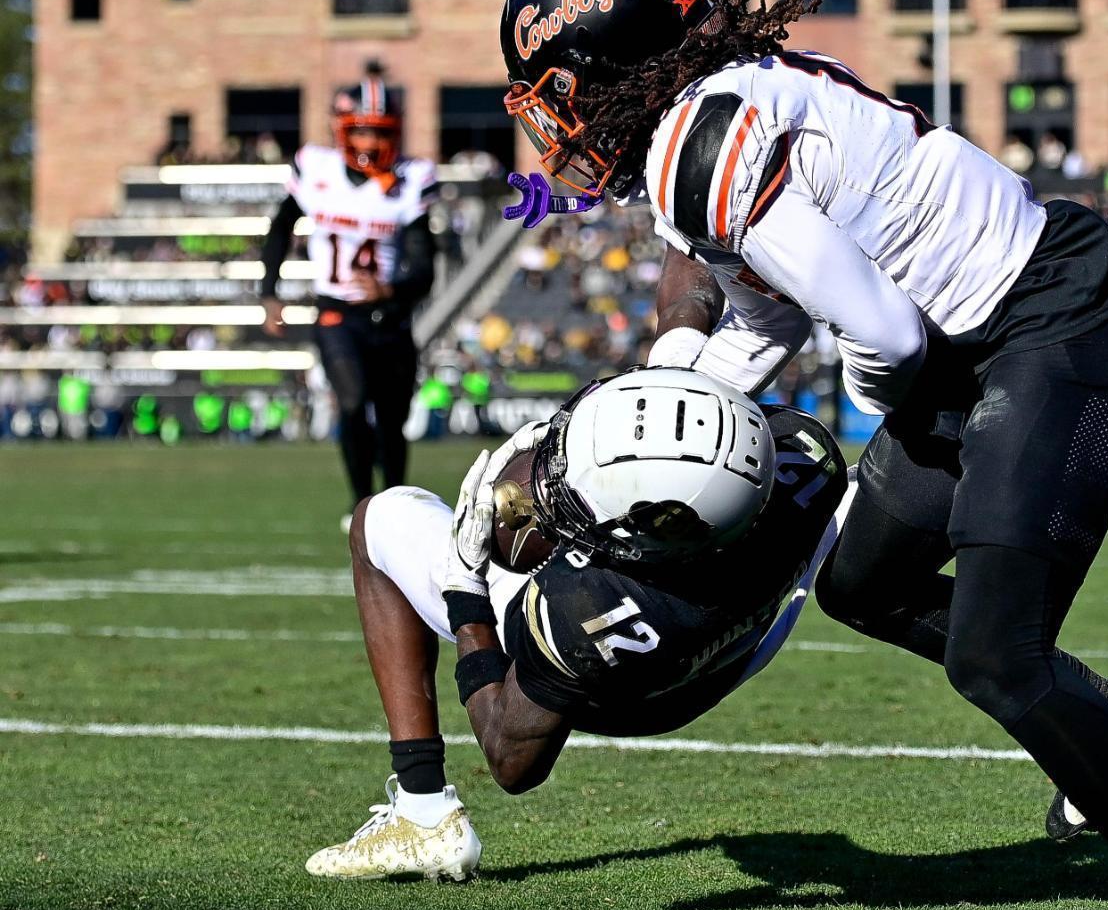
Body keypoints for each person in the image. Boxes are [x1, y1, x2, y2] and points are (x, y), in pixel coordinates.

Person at [499, 0, 1108, 910]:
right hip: (986, 341)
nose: (562, 123)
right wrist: (642, 431)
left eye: (562, 92)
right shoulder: (721, 108)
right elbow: (767, 318)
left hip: (1053, 329)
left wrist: (892, 407)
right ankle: (1096, 709)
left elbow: (887, 337)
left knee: (996, 659)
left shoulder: (696, 142)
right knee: (858, 583)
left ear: (613, 62)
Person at [306, 368, 847, 880]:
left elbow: (511, 761)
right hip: (733, 648)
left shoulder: (583, 605)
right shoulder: (802, 453)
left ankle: (422, 812)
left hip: (623, 685)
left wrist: (465, 591)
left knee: (378, 518)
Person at [262, 64, 437, 528]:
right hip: (337, 312)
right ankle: (362, 503)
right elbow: (281, 226)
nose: (368, 143)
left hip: (391, 315)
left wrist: (391, 287)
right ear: (342, 129)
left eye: (377, 132)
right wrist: (269, 292)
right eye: (359, 130)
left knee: (392, 419)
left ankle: (396, 498)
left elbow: (425, 266)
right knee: (354, 403)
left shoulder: (410, 180)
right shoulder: (315, 168)